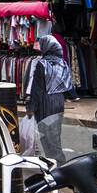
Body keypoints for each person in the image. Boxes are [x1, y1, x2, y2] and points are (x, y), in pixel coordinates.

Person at [25, 35, 73, 164]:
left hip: (45, 102)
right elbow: (68, 85)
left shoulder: (42, 64)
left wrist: (31, 108)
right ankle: (57, 163)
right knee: (55, 135)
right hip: (59, 100)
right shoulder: (63, 63)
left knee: (47, 136)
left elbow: (37, 88)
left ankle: (59, 164)